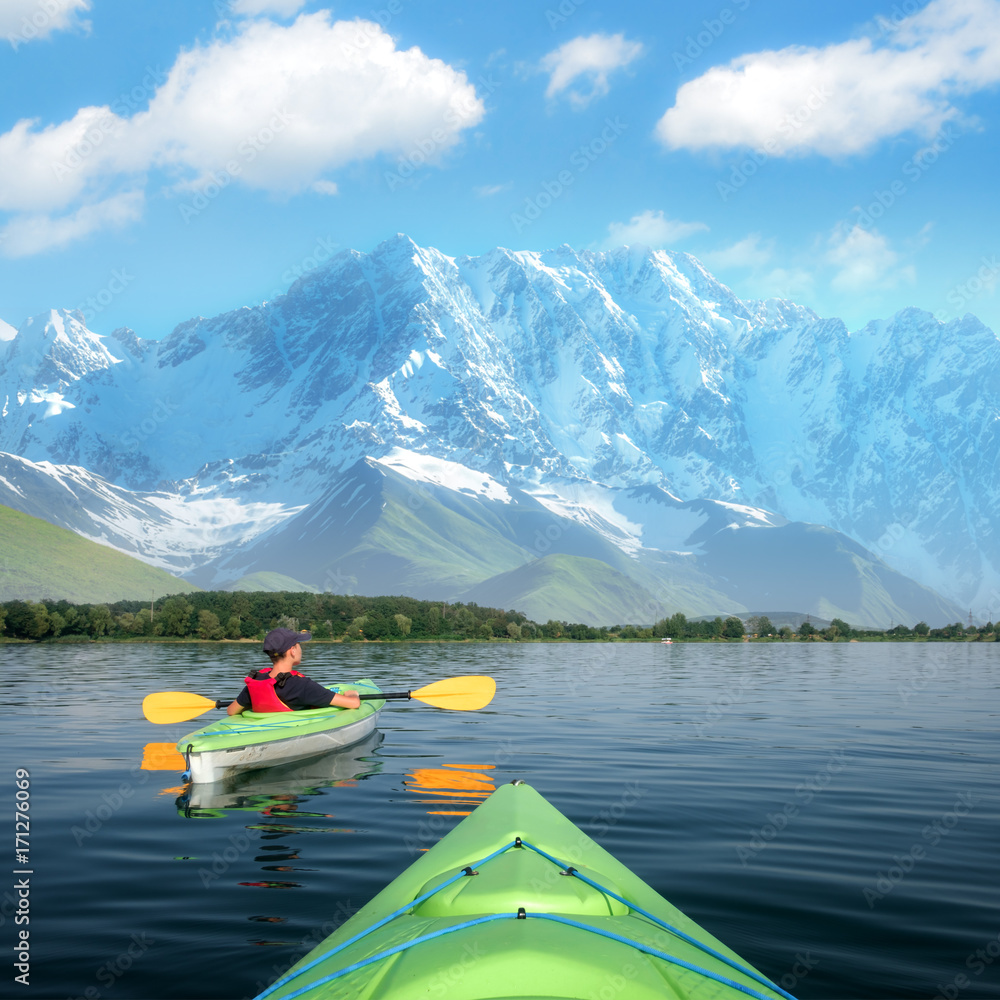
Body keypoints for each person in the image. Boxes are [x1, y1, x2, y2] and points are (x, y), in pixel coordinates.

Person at [227, 628, 361, 715]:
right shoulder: (302, 686)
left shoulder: (257, 681)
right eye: (299, 645)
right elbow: (354, 704)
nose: (301, 649)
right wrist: (352, 694)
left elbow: (231, 711)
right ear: (292, 650)